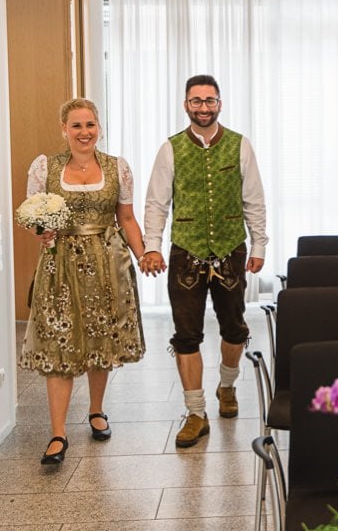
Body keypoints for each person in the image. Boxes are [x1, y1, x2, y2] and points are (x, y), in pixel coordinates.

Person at [140, 74, 268, 448]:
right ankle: (195, 413)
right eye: (196, 101)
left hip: (231, 249)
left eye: (210, 100)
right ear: (186, 105)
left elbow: (254, 199)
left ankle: (226, 386)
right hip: (185, 252)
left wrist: (259, 245)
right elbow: (156, 202)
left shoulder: (241, 145)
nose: (203, 107)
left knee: (234, 328)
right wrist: (152, 246)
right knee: (186, 335)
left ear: (220, 104)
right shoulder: (171, 149)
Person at [19, 98, 147, 465]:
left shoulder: (117, 168)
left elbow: (127, 218)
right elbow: (34, 217)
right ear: (64, 129)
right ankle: (58, 434)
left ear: (99, 128)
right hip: (60, 265)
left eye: (90, 125)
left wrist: (145, 254)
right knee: (58, 341)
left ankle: (96, 410)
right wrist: (41, 231)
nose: (84, 132)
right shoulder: (45, 168)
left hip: (107, 262)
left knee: (100, 338)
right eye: (76, 126)